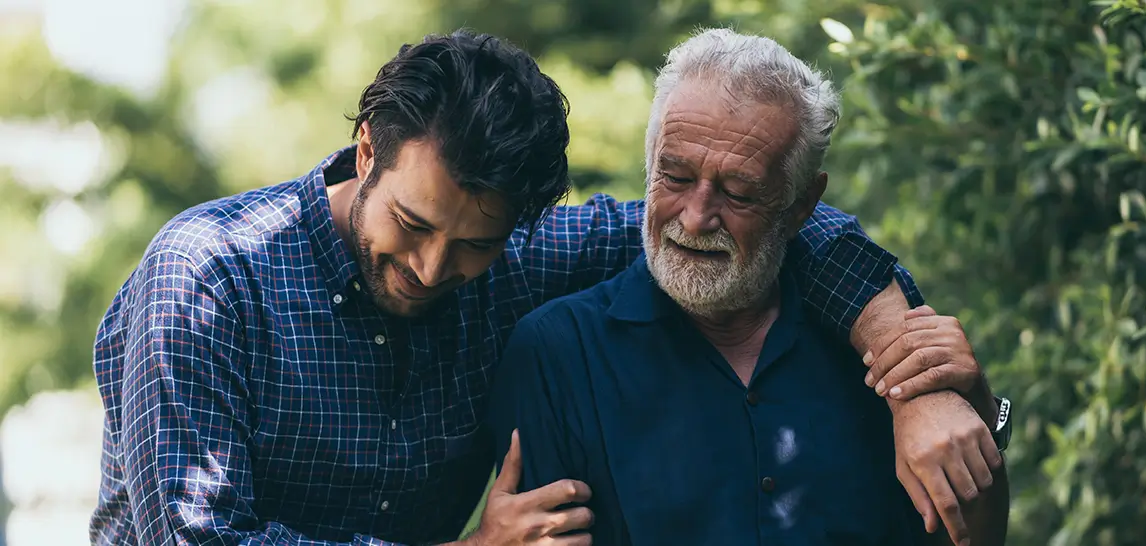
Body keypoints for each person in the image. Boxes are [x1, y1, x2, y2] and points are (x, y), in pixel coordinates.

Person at [87, 29, 1000, 546]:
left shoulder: (523, 257)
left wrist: (909, 368)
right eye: (411, 225)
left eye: (474, 245)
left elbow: (753, 226)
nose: (434, 270)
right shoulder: (205, 280)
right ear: (367, 151)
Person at [488, 29, 1010, 546]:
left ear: (802, 204)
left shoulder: (880, 348)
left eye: (738, 193)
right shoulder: (556, 353)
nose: (694, 219)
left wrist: (975, 415)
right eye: (673, 177)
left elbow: (968, 537)